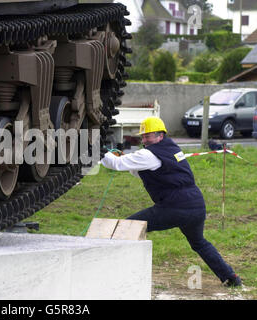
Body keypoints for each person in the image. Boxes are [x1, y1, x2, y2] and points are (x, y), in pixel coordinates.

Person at [100, 116, 242, 287]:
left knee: (128, 227)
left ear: (160, 135)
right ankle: (231, 277)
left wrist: (97, 151)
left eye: (149, 136)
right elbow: (142, 170)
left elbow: (116, 164)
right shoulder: (172, 148)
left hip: (175, 207)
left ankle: (117, 273)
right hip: (196, 206)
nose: (145, 140)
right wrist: (125, 160)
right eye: (143, 137)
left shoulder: (148, 153)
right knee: (200, 243)